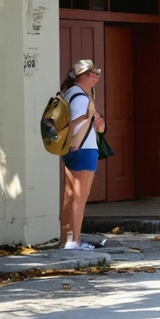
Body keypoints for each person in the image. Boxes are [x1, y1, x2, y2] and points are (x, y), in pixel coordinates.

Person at [59, 60, 105, 250]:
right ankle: (75, 241)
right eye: (91, 73)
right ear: (81, 76)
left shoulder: (70, 93)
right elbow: (75, 123)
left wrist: (97, 122)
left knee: (70, 196)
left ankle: (66, 239)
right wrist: (89, 117)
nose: (95, 76)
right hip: (83, 148)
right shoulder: (81, 97)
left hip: (73, 148)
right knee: (79, 197)